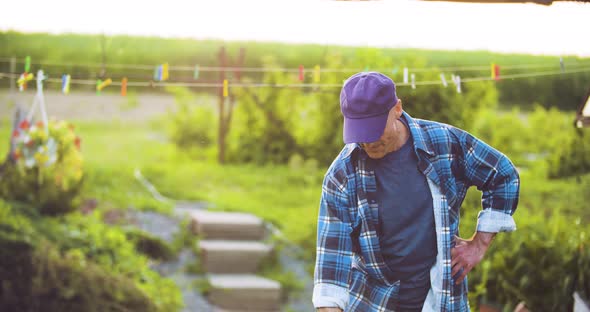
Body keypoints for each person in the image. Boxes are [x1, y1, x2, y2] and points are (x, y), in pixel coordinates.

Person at [312, 72, 520, 311]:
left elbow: (503, 173)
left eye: (374, 129)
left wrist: (479, 244)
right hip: (373, 303)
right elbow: (331, 267)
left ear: (397, 109)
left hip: (441, 300)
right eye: (360, 132)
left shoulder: (443, 142)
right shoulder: (341, 175)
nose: (368, 142)